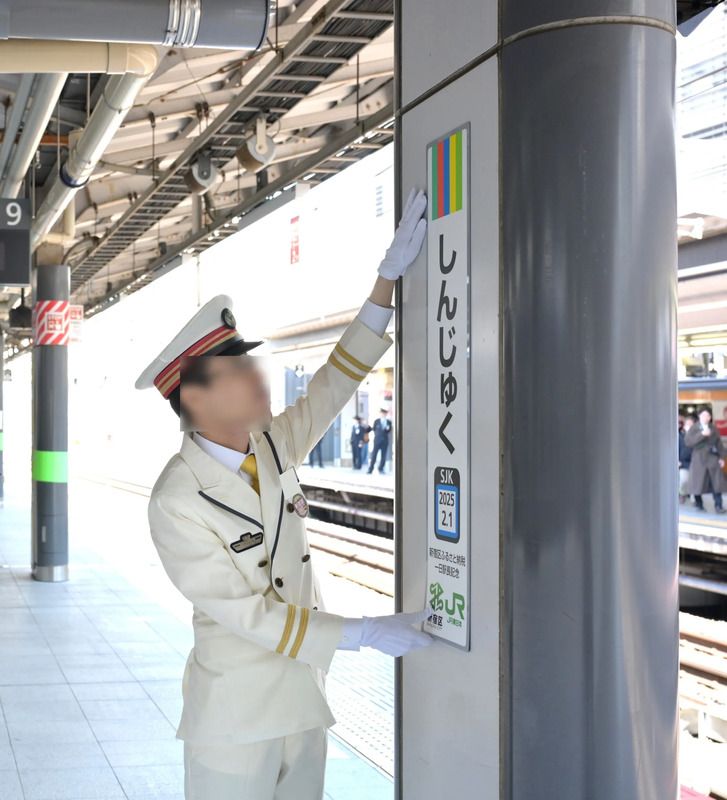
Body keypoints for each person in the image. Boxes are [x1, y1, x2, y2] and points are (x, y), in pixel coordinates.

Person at [134, 187, 433, 800]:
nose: (258, 378)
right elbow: (248, 614)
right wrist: (364, 632)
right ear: (195, 397)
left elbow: (334, 383)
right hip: (235, 722)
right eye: (239, 371)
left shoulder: (270, 443)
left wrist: (385, 283)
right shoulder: (176, 500)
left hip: (302, 702)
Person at [684, 407, 727, 514]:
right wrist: (702, 434)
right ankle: (699, 504)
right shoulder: (694, 428)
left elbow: (719, 444)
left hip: (712, 458)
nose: (706, 418)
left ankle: (718, 505)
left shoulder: (713, 428)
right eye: (704, 415)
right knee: (697, 484)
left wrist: (722, 457)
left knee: (716, 483)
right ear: (699, 416)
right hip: (698, 459)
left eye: (708, 415)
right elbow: (688, 442)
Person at [367, 406, 392, 474]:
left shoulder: (388, 422)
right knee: (374, 454)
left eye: (384, 413)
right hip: (377, 440)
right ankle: (370, 468)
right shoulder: (377, 421)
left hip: (385, 440)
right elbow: (374, 429)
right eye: (381, 413)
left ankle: (381, 468)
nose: (383, 414)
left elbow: (389, 430)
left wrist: (386, 429)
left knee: (383, 455)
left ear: (386, 414)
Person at [679, 414, 694, 504]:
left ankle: (694, 497)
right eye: (687, 424)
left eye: (691, 424)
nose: (689, 426)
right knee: (684, 480)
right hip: (683, 463)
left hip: (695, 462)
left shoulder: (697, 435)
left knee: (695, 481)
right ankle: (682, 493)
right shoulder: (679, 435)